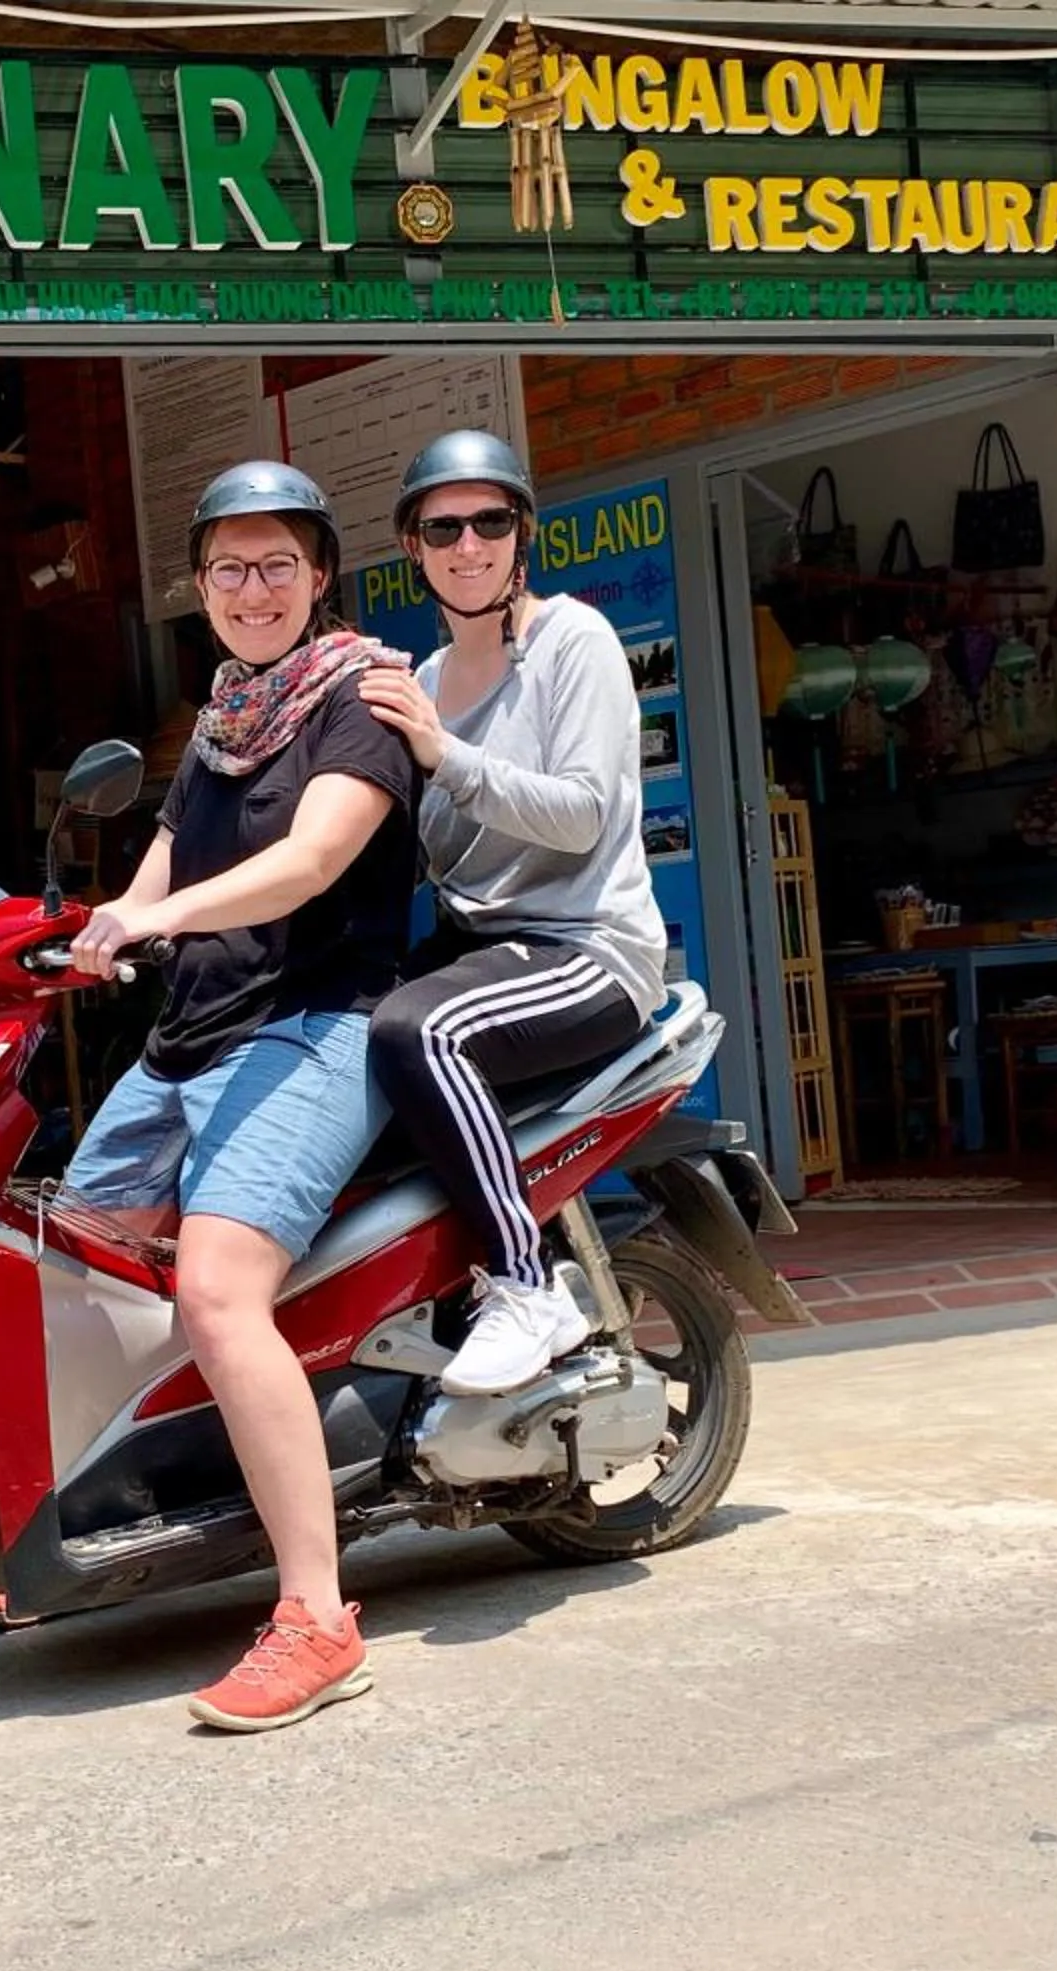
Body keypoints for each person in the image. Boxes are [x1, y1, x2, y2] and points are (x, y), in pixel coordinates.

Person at [57, 460, 420, 1732]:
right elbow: (170, 852)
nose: (252, 588)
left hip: (316, 1027)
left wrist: (152, 913)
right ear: (200, 589)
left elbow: (308, 861)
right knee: (66, 1267)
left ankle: (317, 1616)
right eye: (228, 568)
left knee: (215, 1287)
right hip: (188, 1036)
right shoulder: (223, 714)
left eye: (276, 564)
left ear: (320, 576)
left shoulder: (359, 699)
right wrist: (95, 927)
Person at [356, 431, 672, 1397]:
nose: (468, 544)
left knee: (418, 1034)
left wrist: (440, 753)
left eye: (489, 521)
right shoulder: (417, 680)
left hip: (586, 948)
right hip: (479, 950)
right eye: (442, 527)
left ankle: (525, 1286)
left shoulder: (571, 642)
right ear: (414, 547)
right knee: (322, 1046)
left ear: (519, 533)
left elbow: (580, 816)